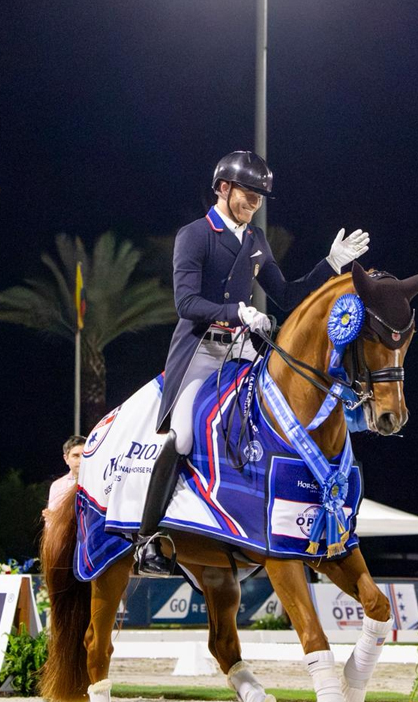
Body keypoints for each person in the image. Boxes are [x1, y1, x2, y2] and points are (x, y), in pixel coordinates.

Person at [134, 151, 370, 575]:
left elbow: (286, 294)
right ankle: (147, 539)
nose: (255, 204)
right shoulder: (195, 235)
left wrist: (330, 264)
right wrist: (236, 313)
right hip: (201, 352)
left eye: (260, 197)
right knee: (184, 434)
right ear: (223, 188)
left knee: (275, 418)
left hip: (243, 350)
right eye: (249, 194)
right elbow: (185, 302)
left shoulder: (256, 241)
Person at [43, 434, 86, 527]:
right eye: (76, 456)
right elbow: (51, 524)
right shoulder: (57, 486)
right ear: (66, 459)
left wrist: (59, 518)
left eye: (85, 455)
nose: (81, 460)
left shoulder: (100, 482)